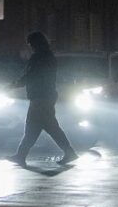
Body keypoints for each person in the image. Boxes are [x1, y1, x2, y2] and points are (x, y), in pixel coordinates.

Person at [5, 31, 78, 166]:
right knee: (36, 127)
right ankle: (21, 155)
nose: (30, 46)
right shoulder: (47, 56)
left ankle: (69, 152)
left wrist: (15, 85)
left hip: (41, 97)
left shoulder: (39, 57)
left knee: (45, 127)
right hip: (45, 96)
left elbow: (31, 75)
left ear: (36, 43)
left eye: (31, 44)